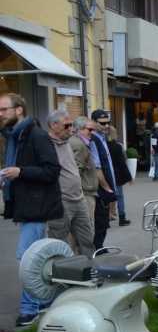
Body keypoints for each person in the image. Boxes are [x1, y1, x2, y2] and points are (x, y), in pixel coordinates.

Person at [0, 93, 63, 327]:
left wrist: (21, 172)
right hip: (27, 206)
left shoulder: (35, 135)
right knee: (37, 258)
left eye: (4, 109)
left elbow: (52, 171)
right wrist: (9, 177)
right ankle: (45, 300)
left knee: (28, 259)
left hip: (37, 207)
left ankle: (31, 308)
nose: (0, 114)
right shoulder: (15, 137)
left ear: (19, 110)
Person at [45, 110, 94, 256]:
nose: (71, 129)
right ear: (54, 125)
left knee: (87, 239)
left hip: (79, 199)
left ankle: (89, 270)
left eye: (71, 125)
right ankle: (60, 274)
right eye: (66, 126)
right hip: (61, 200)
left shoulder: (68, 141)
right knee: (59, 241)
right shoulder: (46, 144)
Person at [89, 111, 118, 250]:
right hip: (99, 187)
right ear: (93, 122)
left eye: (108, 122)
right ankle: (97, 248)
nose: (106, 126)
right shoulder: (93, 139)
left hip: (106, 184)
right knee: (100, 220)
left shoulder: (102, 137)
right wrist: (107, 187)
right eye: (102, 123)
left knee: (103, 220)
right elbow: (97, 167)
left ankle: (99, 246)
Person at [103, 118, 133, 226]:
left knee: (106, 197)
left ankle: (106, 220)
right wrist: (129, 177)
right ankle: (122, 218)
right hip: (116, 176)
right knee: (119, 197)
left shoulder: (102, 145)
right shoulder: (117, 146)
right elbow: (122, 163)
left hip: (105, 175)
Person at [72, 117, 100, 227]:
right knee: (86, 228)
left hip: (86, 191)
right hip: (84, 193)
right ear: (80, 129)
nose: (92, 133)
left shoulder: (84, 143)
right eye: (90, 130)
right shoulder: (78, 145)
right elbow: (76, 171)